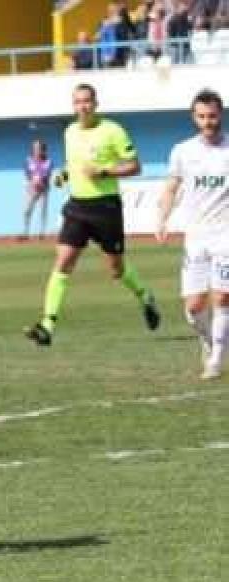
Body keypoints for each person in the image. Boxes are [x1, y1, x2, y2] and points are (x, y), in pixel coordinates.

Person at [25, 84, 160, 347]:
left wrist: (104, 172)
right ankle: (47, 326)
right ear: (73, 105)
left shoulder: (113, 130)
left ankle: (145, 296)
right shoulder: (70, 132)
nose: (83, 106)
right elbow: (73, 165)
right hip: (77, 207)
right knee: (63, 261)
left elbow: (135, 166)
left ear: (96, 103)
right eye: (78, 102)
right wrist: (64, 175)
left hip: (106, 207)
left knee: (116, 269)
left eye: (87, 101)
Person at [156, 89, 229, 380]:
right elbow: (171, 188)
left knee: (222, 298)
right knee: (194, 307)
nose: (208, 121)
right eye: (202, 116)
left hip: (225, 234)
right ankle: (208, 340)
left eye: (212, 116)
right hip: (196, 236)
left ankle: (215, 361)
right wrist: (162, 219)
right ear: (194, 117)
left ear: (220, 115)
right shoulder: (182, 151)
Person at [22, 139, 54, 242]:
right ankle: (25, 232)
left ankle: (41, 232)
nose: (37, 150)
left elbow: (48, 174)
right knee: (27, 210)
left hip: (44, 188)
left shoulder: (48, 161)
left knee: (42, 210)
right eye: (35, 148)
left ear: (43, 149)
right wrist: (32, 181)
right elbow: (27, 172)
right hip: (32, 188)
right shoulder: (28, 160)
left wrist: (41, 181)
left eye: (39, 148)